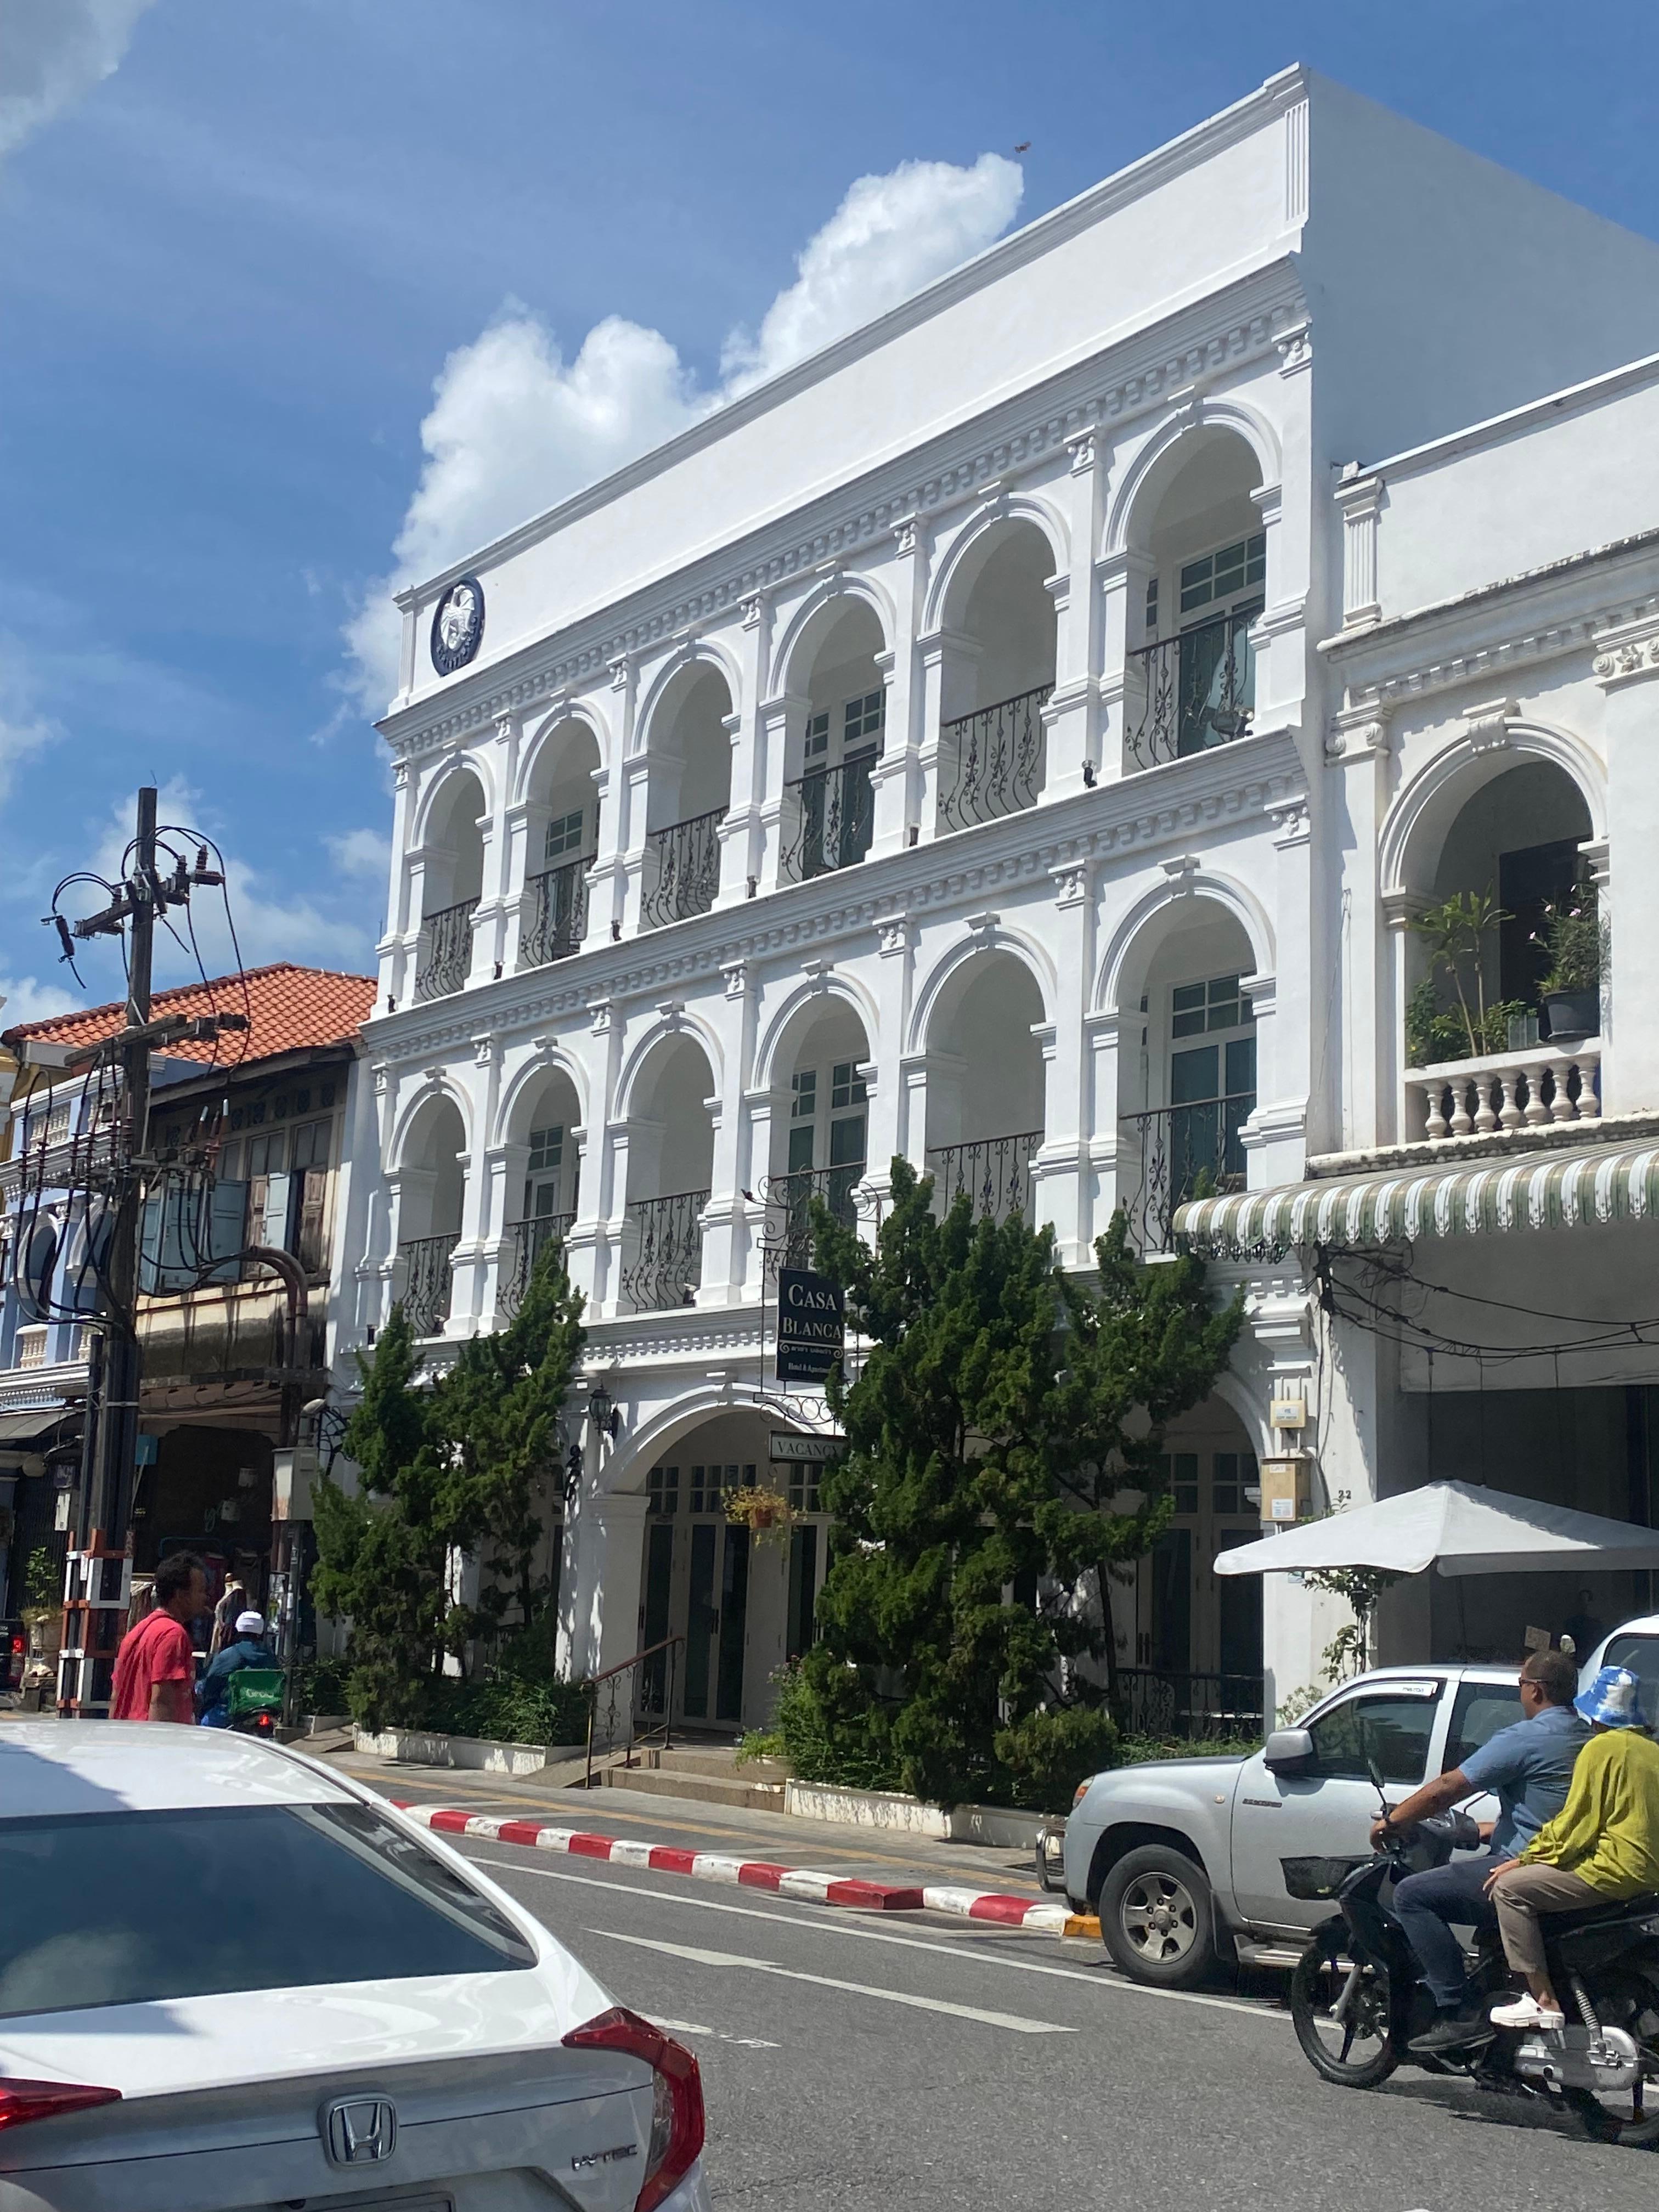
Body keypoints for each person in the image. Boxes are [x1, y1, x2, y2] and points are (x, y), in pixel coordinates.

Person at [1371, 1647, 1589, 2055]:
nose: (1520, 1693)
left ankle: (1458, 2010)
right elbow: (1549, 1813)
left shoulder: (1525, 1737)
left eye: (1521, 1685)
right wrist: (1486, 1832)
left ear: (1536, 1691)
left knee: (1412, 1895)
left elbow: (1448, 1789)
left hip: (1521, 1870)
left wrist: (1394, 1822)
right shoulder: (1586, 1737)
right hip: (1569, 1867)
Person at [1488, 1664, 1659, 2031]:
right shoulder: (1652, 1752)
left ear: (1597, 1712)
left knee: (1509, 1891)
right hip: (1648, 1879)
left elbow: (1576, 1824)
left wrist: (1523, 1860)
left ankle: (1542, 2000)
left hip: (1613, 1873)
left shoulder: (1601, 1748)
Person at [110, 1553, 207, 1724]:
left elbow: (116, 1694)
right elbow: (162, 1701)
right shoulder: (173, 1634)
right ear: (181, 1595)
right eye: (200, 1591)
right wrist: (161, 1745)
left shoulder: (137, 1631)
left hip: (126, 1737)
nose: (205, 1598)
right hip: (152, 1742)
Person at [195, 1609, 276, 1728]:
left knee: (205, 1728)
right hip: (264, 1711)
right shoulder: (270, 1657)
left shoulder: (230, 1654)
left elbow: (212, 1682)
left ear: (238, 1630)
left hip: (229, 1714)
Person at [207, 1576, 246, 1661]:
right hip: (220, 1627)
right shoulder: (230, 1593)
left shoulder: (237, 1594)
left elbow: (231, 1615)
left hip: (226, 1629)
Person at [1561, 1589, 1605, 1659]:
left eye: (1587, 1602)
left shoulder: (1597, 1627)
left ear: (1591, 1604)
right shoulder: (1570, 1623)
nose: (1585, 1605)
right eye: (1582, 1601)